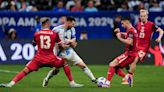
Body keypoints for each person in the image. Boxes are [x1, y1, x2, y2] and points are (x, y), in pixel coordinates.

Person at [0, 17, 76, 88]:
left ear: (41, 24)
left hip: (39, 58)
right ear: (48, 23)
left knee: (25, 70)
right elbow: (61, 45)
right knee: (64, 63)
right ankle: (71, 83)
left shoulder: (37, 34)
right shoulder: (54, 34)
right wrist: (67, 45)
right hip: (50, 58)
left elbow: (34, 44)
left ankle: (10, 84)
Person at [42, 16, 97, 87]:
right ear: (68, 22)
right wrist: (60, 45)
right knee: (56, 70)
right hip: (59, 52)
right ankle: (46, 79)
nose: (73, 26)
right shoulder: (56, 29)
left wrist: (70, 42)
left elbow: (74, 40)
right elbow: (51, 41)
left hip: (69, 50)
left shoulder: (72, 29)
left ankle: (94, 79)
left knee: (82, 65)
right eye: (72, 24)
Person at [119, 9, 163, 85]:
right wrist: (122, 33)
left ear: (147, 16)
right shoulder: (138, 24)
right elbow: (134, 34)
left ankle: (129, 78)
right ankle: (128, 75)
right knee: (127, 62)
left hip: (144, 48)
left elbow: (161, 31)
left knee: (134, 60)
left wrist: (159, 38)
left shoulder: (151, 24)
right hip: (136, 47)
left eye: (144, 16)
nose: (143, 17)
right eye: (141, 16)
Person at [106, 17, 138, 88]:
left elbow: (129, 42)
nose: (122, 25)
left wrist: (119, 38)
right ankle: (127, 77)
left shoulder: (131, 31)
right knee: (116, 68)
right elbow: (127, 35)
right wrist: (119, 33)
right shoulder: (132, 30)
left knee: (112, 64)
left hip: (129, 54)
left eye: (123, 23)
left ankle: (107, 83)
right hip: (131, 54)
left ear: (127, 22)